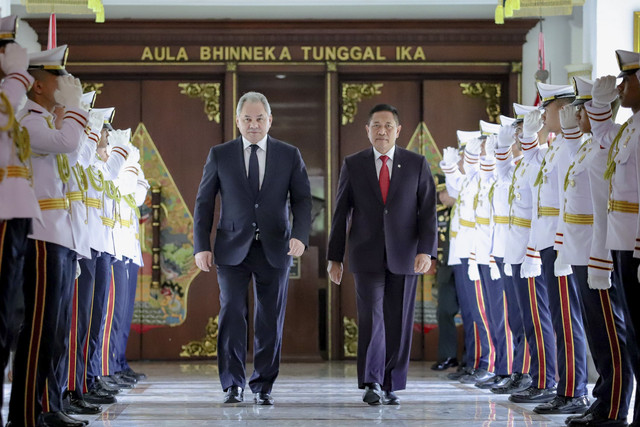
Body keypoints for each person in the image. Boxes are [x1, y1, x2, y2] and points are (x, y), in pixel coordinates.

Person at [193, 91, 312, 406]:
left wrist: (300, 235)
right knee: (232, 313)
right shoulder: (220, 154)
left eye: (260, 118)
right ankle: (233, 384)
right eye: (247, 118)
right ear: (237, 121)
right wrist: (200, 246)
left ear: (270, 120)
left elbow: (302, 199)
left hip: (276, 247)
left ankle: (263, 385)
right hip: (231, 247)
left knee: (269, 318)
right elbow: (204, 202)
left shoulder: (289, 154)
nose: (254, 124)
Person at [327, 103, 437, 405]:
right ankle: (372, 382)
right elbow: (340, 213)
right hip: (366, 255)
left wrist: (427, 251)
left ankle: (391, 382)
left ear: (398, 131)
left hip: (406, 255)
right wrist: (334, 257)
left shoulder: (416, 163)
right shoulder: (354, 164)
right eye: (376, 125)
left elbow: (428, 212)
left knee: (398, 320)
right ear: (367, 130)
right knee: (371, 318)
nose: (382, 131)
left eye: (388, 126)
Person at [9, 45, 89, 427]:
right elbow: (66, 144)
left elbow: (72, 159)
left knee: (54, 332)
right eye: (59, 77)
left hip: (58, 237)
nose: (66, 83)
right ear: (39, 85)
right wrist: (74, 111)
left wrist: (69, 114)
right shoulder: (27, 118)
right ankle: (26, 415)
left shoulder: (46, 120)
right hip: (39, 237)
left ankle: (47, 405)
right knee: (38, 331)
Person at [0, 15, 38, 427]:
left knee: (11, 318)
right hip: (4, 213)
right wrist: (16, 77)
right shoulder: (10, 92)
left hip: (15, 215)